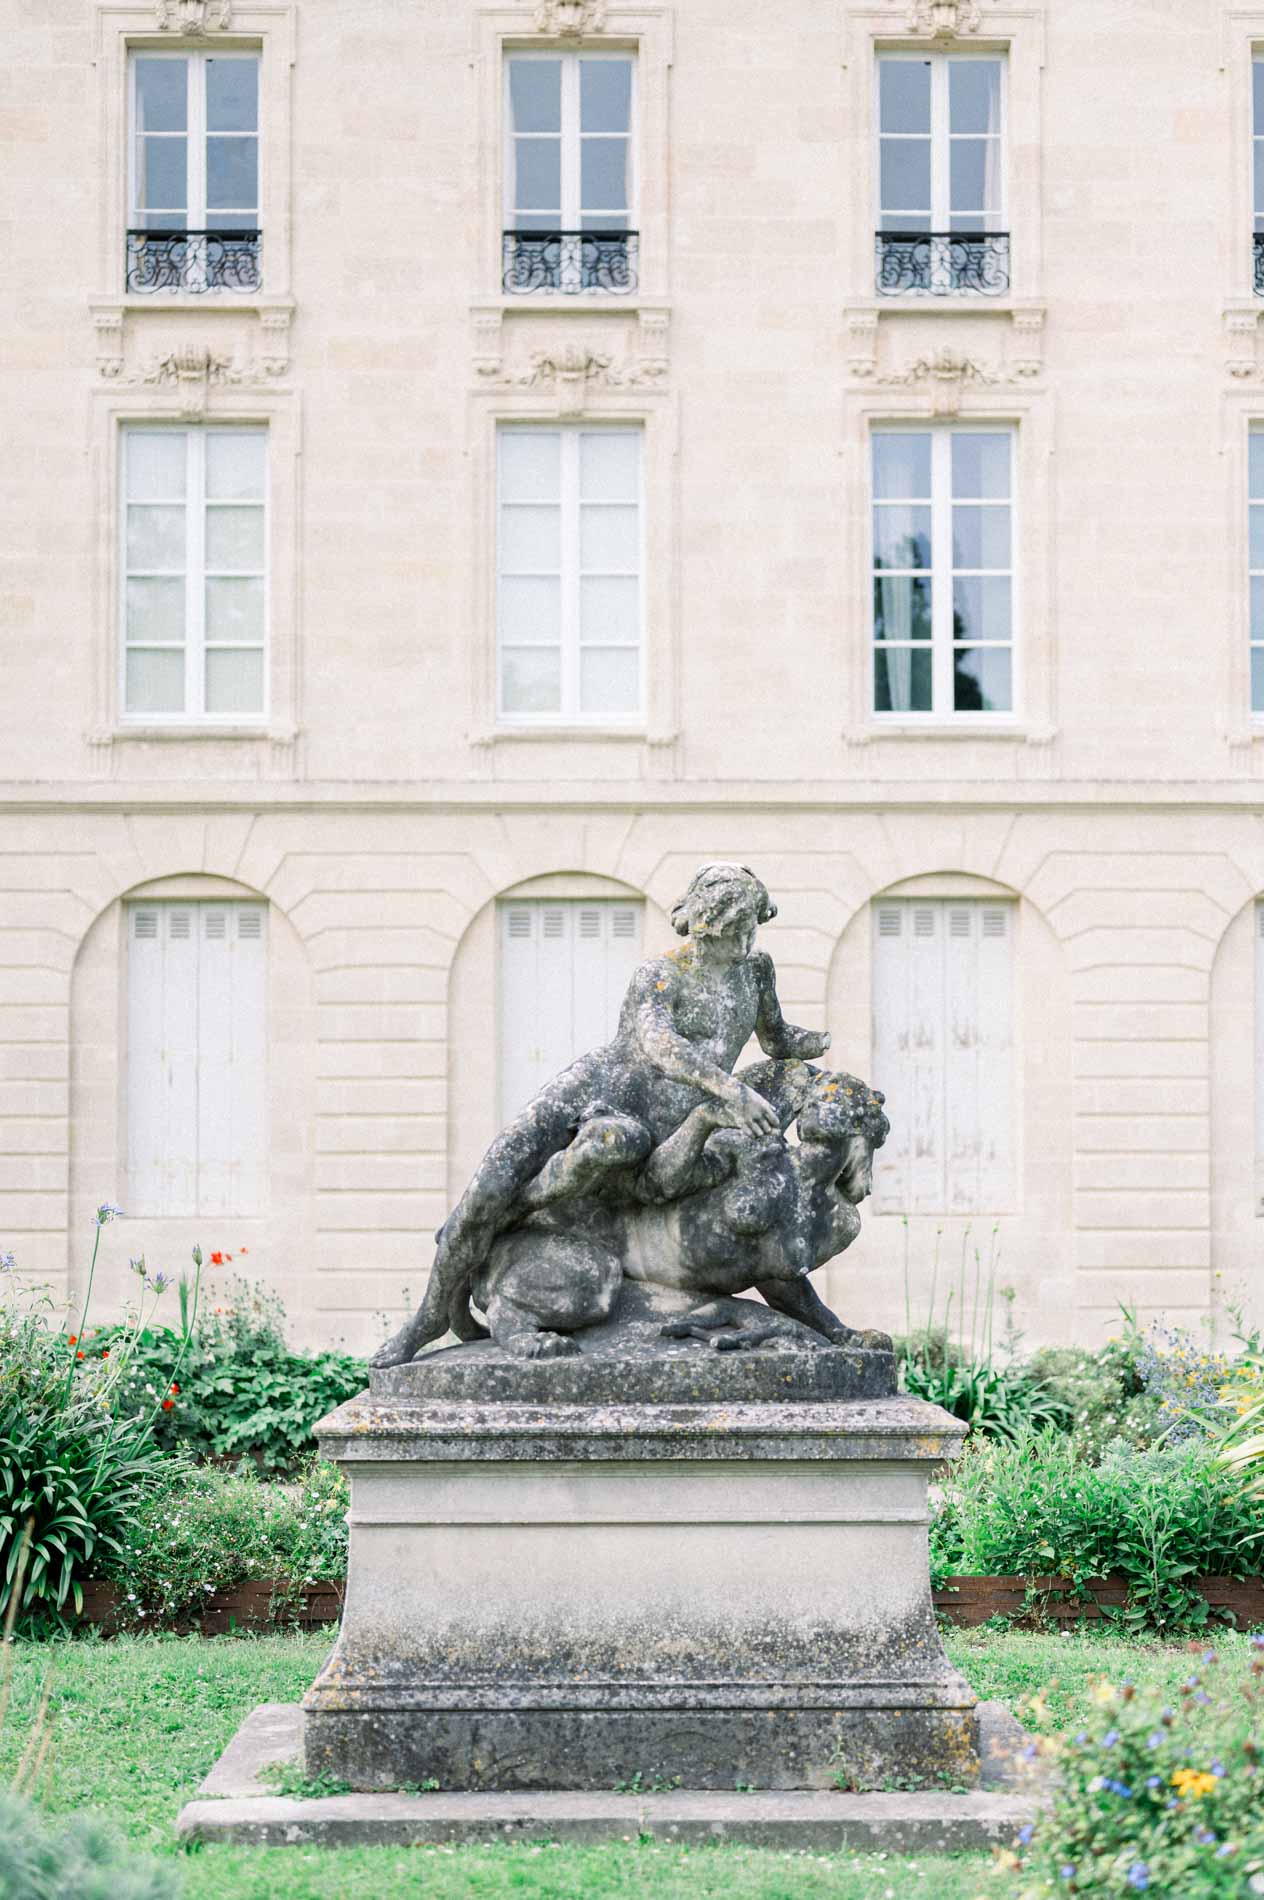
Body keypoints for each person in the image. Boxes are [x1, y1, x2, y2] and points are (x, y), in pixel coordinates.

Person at [371, 862, 830, 1367]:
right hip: (598, 1088)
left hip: (657, 1125)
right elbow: (658, 1044)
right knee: (489, 1187)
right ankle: (430, 1316)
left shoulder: (755, 971)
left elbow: (776, 1037)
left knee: (605, 1156)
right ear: (706, 927)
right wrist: (728, 1090)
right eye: (736, 932)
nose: (746, 942)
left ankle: (507, 1223)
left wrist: (817, 1049)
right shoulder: (660, 976)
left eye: (753, 928)